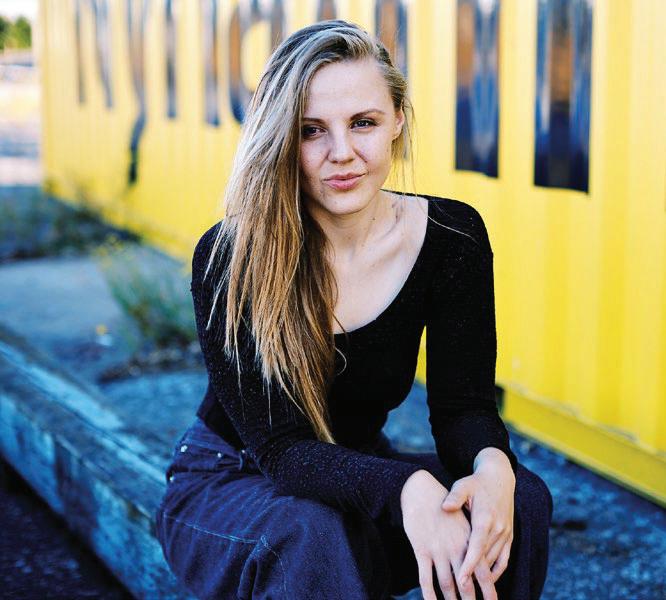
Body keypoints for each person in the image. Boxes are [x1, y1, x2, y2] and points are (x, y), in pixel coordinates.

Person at [155, 19, 553, 600]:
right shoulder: (233, 256)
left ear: (398, 120)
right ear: (281, 138)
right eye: (311, 130)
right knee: (310, 533)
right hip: (234, 480)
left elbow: (463, 408)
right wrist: (406, 489)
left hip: (355, 469)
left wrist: (491, 465)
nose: (342, 154)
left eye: (363, 122)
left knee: (520, 497)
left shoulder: (451, 236)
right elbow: (282, 451)